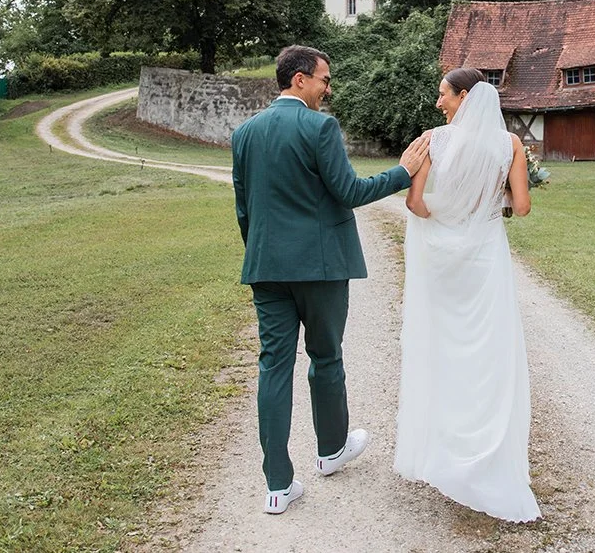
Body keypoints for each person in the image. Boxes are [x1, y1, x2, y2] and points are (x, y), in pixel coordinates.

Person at [232, 44, 430, 514]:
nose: (328, 88)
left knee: (273, 367)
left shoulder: (244, 133)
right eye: (324, 79)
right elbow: (349, 191)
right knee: (325, 356)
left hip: (266, 268)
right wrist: (403, 172)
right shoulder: (320, 127)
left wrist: (263, 256)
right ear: (299, 79)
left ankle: (277, 486)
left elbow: (244, 208)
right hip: (320, 268)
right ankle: (331, 451)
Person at [393, 67, 541, 522]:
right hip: (486, 257)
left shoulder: (433, 141)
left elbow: (414, 203)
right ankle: (487, 454)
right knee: (488, 352)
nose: (439, 102)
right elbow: (522, 206)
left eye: (444, 95)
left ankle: (443, 450)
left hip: (443, 259)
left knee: (442, 347)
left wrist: (445, 217)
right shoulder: (510, 145)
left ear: (464, 97)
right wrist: (488, 204)